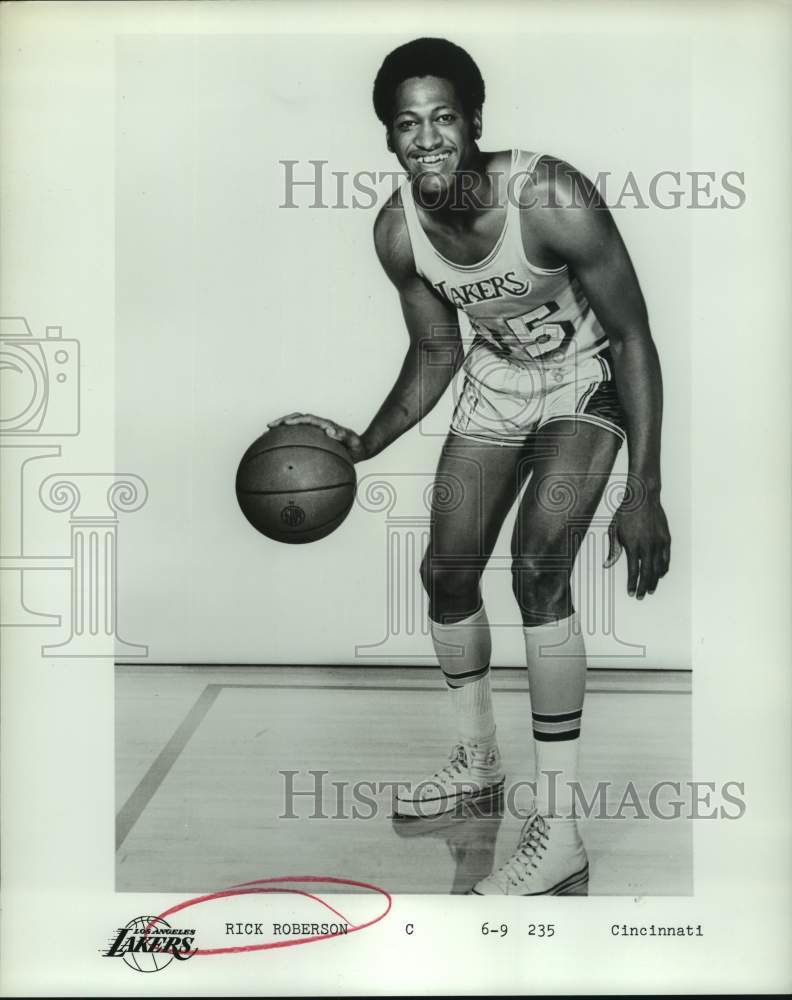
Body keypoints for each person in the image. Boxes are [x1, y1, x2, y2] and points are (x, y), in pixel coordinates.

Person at [270, 36, 671, 895]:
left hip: (584, 381)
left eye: (443, 116)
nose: (427, 136)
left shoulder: (551, 196)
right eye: (407, 122)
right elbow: (433, 351)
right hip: (496, 385)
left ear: (474, 121)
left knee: (537, 570)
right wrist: (361, 444)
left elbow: (635, 336)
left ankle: (558, 832)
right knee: (446, 574)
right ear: (388, 136)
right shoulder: (397, 233)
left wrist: (646, 488)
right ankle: (479, 763)